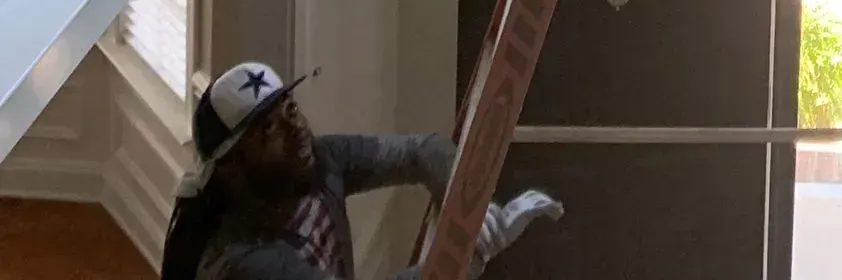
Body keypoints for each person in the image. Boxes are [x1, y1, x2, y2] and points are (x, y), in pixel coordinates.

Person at [159, 62, 560, 280]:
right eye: (268, 131)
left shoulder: (320, 161)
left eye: (291, 110)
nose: (295, 127)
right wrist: (466, 257)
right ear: (232, 169)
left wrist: (475, 203)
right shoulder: (243, 260)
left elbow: (421, 151)